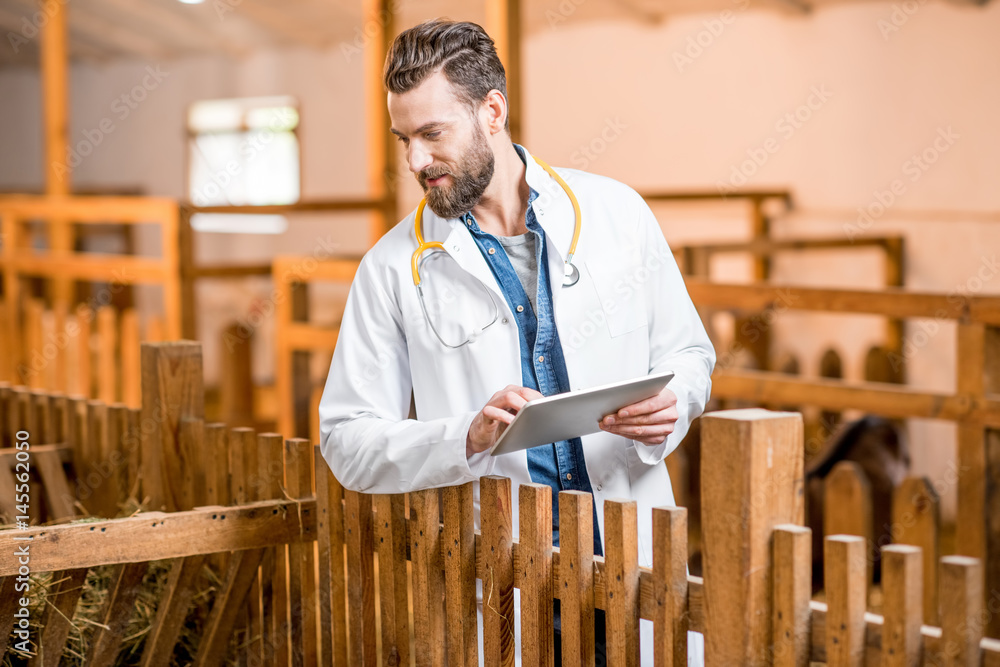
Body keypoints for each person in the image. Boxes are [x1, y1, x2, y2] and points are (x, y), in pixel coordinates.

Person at [319, 18, 714, 666]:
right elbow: (346, 438)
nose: (415, 161)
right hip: (500, 572)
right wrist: (462, 437)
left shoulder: (619, 214)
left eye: (431, 134)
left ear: (492, 112)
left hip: (630, 550)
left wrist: (677, 401)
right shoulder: (391, 267)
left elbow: (689, 354)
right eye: (403, 139)